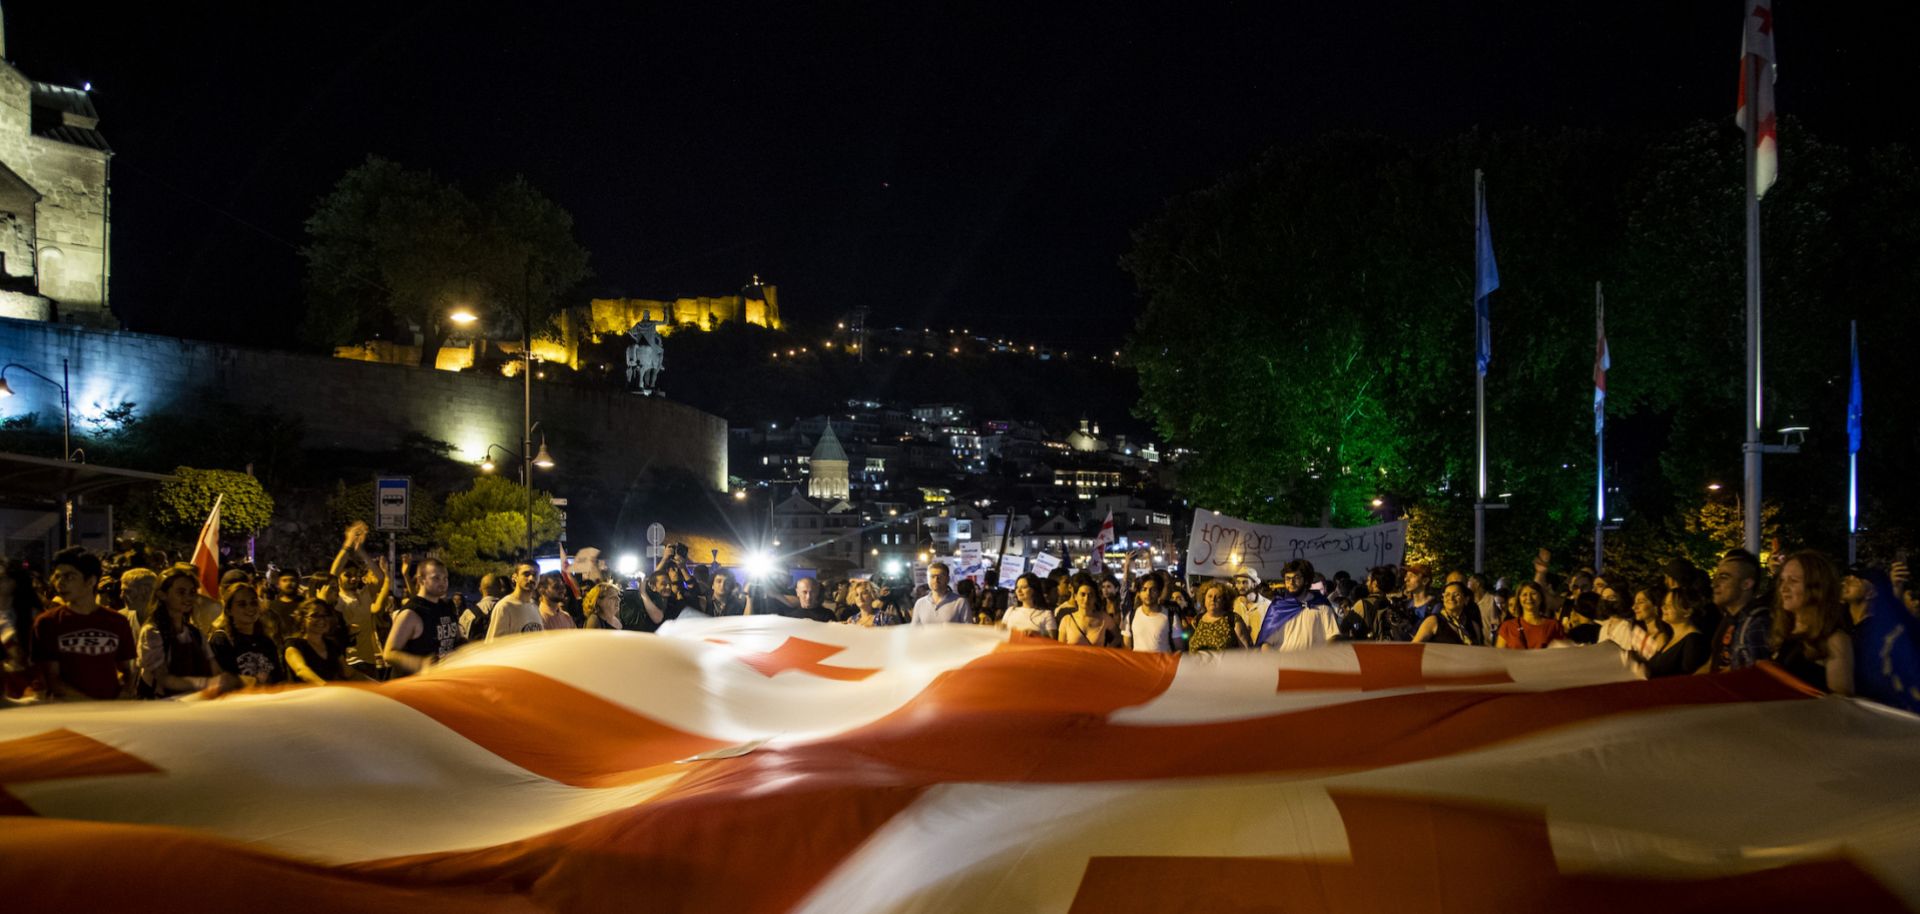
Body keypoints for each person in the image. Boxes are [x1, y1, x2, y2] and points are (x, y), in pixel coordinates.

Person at [31, 547, 136, 701]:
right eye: (57, 576)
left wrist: (125, 693)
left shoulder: (116, 621)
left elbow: (127, 669)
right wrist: (95, 705)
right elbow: (52, 680)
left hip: (112, 713)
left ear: (91, 581)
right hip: (69, 714)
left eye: (69, 577)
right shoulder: (48, 622)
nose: (60, 583)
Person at [1768, 551, 1853, 695]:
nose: (1783, 589)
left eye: (1793, 581)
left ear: (1817, 587)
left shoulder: (1834, 640)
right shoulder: (1785, 633)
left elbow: (1840, 703)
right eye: (1782, 580)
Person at [135, 564, 218, 697]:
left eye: (192, 592)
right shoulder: (152, 632)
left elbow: (214, 668)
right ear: (162, 595)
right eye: (181, 592)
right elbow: (163, 678)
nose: (188, 597)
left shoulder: (195, 633)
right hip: (161, 708)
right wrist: (205, 683)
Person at [382, 557, 464, 675]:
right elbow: (389, 653)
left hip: (440, 681)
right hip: (413, 685)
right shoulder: (411, 613)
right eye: (436, 578)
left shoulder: (447, 607)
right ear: (421, 580)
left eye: (445, 578)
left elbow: (457, 638)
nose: (443, 582)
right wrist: (422, 663)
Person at [1706, 548, 1772, 674]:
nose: (1714, 584)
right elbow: (1712, 663)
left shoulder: (1758, 623)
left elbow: (1756, 676)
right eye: (1715, 577)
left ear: (1746, 584)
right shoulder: (1728, 619)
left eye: (1724, 577)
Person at [209, 581, 285, 688]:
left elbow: (278, 679)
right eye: (242, 604)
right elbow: (222, 680)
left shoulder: (266, 642)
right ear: (229, 611)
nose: (250, 608)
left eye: (253, 603)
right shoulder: (221, 640)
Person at [1255, 560, 1342, 651]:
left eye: (1296, 578)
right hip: (1283, 663)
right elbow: (1265, 643)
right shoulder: (1278, 608)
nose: (1291, 582)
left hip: (1314, 663)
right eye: (1288, 578)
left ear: (1306, 580)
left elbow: (1333, 636)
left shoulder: (1322, 606)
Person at [1634, 584, 1711, 679]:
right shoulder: (1672, 638)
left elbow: (1690, 680)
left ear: (1687, 612)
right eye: (1664, 603)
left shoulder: (1693, 641)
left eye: (1669, 605)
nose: (1663, 607)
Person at [285, 599, 362, 683]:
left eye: (325, 615)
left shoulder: (331, 645)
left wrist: (375, 685)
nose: (322, 619)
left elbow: (349, 673)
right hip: (305, 695)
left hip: (329, 694)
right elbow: (301, 670)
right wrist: (325, 687)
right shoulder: (293, 644)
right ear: (302, 619)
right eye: (315, 615)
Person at [1057, 572, 1122, 647]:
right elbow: (1061, 648)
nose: (1086, 599)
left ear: (1095, 598)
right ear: (1075, 596)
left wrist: (1107, 650)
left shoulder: (1104, 618)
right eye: (1082, 594)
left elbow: (1118, 637)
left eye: (1090, 595)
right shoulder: (1066, 620)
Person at [1496, 581, 1564, 650]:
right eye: (1524, 595)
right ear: (1519, 599)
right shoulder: (1507, 627)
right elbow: (1499, 657)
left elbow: (1562, 655)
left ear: (1541, 597)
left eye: (1533, 593)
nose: (1529, 598)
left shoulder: (1554, 625)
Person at [1124, 570, 1181, 652]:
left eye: (1153, 589)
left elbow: (1179, 649)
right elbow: (1127, 648)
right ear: (1139, 593)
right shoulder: (1130, 616)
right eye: (1144, 589)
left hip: (1162, 664)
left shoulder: (1171, 617)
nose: (1148, 593)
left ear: (1159, 592)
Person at [1187, 580, 1252, 651]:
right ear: (1204, 599)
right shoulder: (1197, 619)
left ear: (1224, 601)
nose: (1213, 599)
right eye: (1209, 596)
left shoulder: (1233, 619)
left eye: (1218, 597)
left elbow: (1246, 650)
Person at [486, 562, 544, 641]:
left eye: (535, 575)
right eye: (526, 574)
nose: (531, 578)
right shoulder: (505, 607)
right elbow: (493, 644)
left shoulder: (535, 607)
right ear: (515, 577)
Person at [1414, 582, 1485, 646]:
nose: (1451, 598)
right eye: (1447, 595)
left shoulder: (1474, 625)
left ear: (1466, 599)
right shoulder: (1433, 621)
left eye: (1456, 595)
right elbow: (1413, 647)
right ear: (1443, 599)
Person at [1230, 569, 1271, 641]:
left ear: (1254, 584)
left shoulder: (1268, 606)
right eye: (1238, 582)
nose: (1241, 586)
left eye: (1245, 582)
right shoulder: (1232, 605)